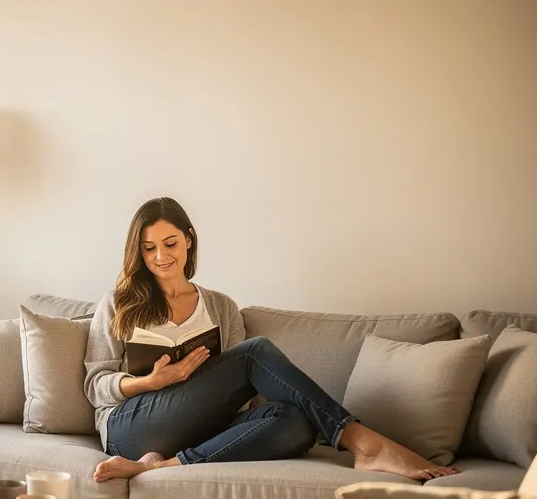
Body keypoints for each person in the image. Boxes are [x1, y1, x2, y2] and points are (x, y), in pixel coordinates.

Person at [83, 196, 459, 483]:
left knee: (296, 421)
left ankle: (160, 466)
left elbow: (238, 395)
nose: (161, 256)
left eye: (170, 243)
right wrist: (151, 382)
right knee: (254, 353)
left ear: (189, 241)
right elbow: (94, 385)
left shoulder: (220, 307)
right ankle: (363, 441)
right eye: (149, 248)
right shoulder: (120, 303)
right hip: (130, 427)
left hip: (200, 429)